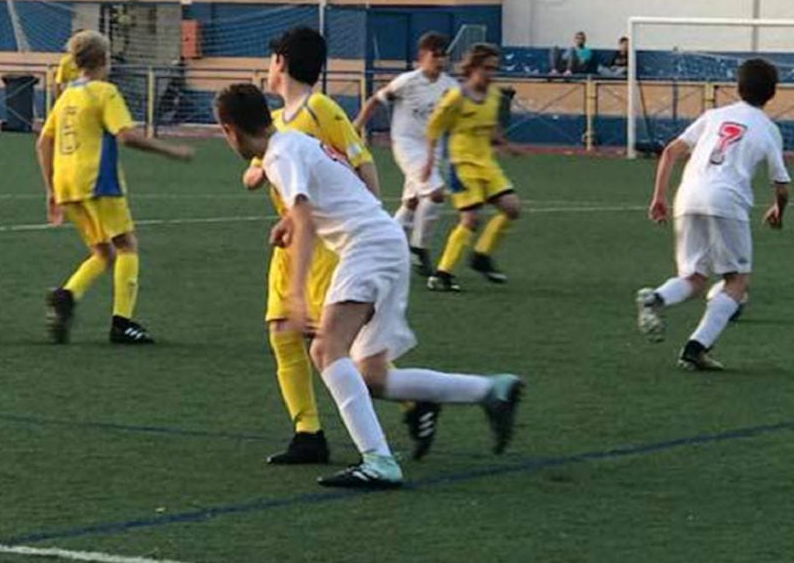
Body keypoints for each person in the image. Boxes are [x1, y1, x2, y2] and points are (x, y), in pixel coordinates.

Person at [215, 84, 524, 487]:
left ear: (230, 131)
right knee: (373, 376)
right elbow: (332, 194)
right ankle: (490, 390)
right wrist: (287, 220)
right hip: (385, 240)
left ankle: (378, 461)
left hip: (368, 247)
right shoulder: (294, 141)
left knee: (325, 349)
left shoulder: (279, 155)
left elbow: (307, 219)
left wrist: (294, 292)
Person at [240, 26, 380, 466]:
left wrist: (371, 218)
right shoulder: (275, 123)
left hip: (324, 247)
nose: (268, 67)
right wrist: (257, 172)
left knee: (337, 346)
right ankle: (307, 433)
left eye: (270, 59)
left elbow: (361, 162)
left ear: (280, 62)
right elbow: (257, 170)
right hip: (289, 246)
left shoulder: (321, 110)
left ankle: (414, 401)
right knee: (282, 334)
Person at [36, 30, 194, 345]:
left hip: (67, 184)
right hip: (98, 181)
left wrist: (51, 189)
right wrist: (172, 151)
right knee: (126, 245)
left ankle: (67, 295)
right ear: (104, 60)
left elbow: (43, 142)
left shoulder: (66, 95)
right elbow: (126, 136)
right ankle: (123, 322)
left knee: (103, 252)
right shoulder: (104, 92)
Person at [636, 58, 790, 371]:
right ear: (772, 94)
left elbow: (670, 151)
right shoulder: (768, 129)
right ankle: (695, 348)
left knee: (693, 278)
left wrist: (659, 198)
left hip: (688, 195)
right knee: (736, 281)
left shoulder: (714, 115)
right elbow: (782, 184)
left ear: (737, 87)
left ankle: (656, 298)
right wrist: (779, 210)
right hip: (727, 201)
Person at [355, 32, 459, 276]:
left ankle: (380, 245)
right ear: (422, 56)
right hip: (407, 144)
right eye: (435, 55)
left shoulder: (451, 87)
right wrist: (355, 126)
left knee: (412, 203)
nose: (440, 60)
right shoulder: (407, 81)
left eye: (444, 55)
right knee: (434, 194)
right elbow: (375, 101)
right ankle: (418, 248)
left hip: (433, 147)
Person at [423, 43, 522, 293]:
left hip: (486, 163)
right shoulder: (457, 97)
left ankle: (481, 256)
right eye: (486, 68)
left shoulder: (494, 96)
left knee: (512, 208)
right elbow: (434, 128)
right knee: (470, 219)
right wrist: (429, 162)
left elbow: (492, 126)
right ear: (474, 68)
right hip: (460, 164)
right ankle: (442, 273)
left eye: (494, 69)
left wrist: (505, 144)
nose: (491, 74)